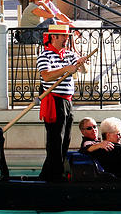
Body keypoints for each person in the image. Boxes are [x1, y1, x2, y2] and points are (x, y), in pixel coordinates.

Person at [37, 24, 89, 181]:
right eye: (64, 36)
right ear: (54, 37)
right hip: (54, 101)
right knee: (55, 140)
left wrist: (81, 63)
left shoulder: (69, 54)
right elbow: (46, 76)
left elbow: (83, 71)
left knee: (65, 138)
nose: (67, 39)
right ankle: (53, 175)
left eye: (67, 36)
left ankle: (52, 173)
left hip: (67, 101)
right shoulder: (44, 56)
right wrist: (67, 69)